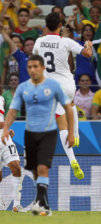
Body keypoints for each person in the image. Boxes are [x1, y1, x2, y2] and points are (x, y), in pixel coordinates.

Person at [1, 55, 74, 216]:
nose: (32, 70)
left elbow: (68, 109)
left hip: (48, 133)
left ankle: (39, 204)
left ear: (42, 68)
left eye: (35, 66)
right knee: (35, 171)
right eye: (30, 67)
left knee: (42, 167)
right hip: (30, 133)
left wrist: (71, 133)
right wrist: (5, 128)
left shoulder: (54, 86)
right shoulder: (22, 88)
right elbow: (12, 111)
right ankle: (44, 204)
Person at [32, 12, 93, 178]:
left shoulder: (39, 41)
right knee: (71, 105)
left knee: (61, 124)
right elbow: (87, 55)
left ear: (45, 26)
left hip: (49, 87)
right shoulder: (66, 41)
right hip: (67, 84)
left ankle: (72, 157)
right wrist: (89, 44)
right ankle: (77, 134)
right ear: (60, 26)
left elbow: (34, 59)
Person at [0, 96, 25, 212]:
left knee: (16, 166)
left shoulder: (1, 99)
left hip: (4, 138)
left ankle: (16, 205)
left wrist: (5, 130)